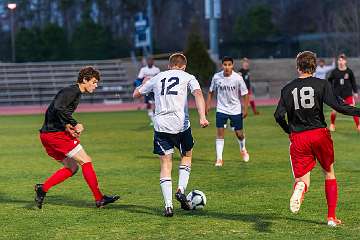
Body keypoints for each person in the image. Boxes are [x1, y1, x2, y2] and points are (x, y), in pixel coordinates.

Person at [274, 51, 360, 227]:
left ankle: (300, 188)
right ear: (314, 66)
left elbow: (278, 115)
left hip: (298, 137)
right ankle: (331, 217)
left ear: (298, 66)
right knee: (329, 173)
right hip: (319, 135)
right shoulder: (322, 84)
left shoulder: (287, 89)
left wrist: (288, 131)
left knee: (303, 181)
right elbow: (339, 106)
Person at [133, 53, 209, 217]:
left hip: (161, 125)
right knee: (187, 155)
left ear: (169, 65)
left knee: (166, 165)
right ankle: (181, 189)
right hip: (181, 124)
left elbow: (136, 95)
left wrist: (144, 83)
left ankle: (168, 206)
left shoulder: (158, 77)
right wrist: (202, 117)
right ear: (184, 66)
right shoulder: (188, 76)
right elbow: (198, 94)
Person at [35, 66, 120, 209]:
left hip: (48, 135)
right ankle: (99, 199)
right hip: (55, 135)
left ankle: (42, 189)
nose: (96, 85)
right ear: (85, 80)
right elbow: (57, 107)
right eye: (93, 82)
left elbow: (56, 112)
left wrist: (68, 126)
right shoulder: (72, 91)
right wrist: (75, 123)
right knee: (86, 161)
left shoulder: (75, 92)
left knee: (72, 167)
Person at [206, 56, 250, 166]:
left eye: (229, 65)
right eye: (225, 65)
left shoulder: (238, 78)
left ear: (232, 65)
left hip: (235, 110)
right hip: (221, 109)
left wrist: (245, 109)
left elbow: (245, 94)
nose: (227, 67)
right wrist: (208, 104)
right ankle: (219, 159)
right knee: (220, 133)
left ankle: (243, 149)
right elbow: (211, 91)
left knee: (239, 134)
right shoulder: (216, 77)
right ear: (222, 65)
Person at [328, 54, 359, 132]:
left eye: (342, 60)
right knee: (334, 110)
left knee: (353, 109)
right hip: (337, 95)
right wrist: (330, 89)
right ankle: (332, 124)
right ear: (337, 61)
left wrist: (355, 92)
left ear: (345, 61)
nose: (341, 62)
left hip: (348, 94)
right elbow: (329, 81)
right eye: (339, 60)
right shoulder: (334, 72)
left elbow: (353, 82)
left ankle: (358, 125)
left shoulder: (349, 71)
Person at [136, 57, 161, 125]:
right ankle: (152, 119)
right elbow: (139, 79)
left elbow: (159, 79)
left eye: (151, 61)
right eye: (148, 61)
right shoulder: (143, 69)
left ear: (153, 62)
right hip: (147, 89)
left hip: (155, 89)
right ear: (147, 62)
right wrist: (139, 87)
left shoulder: (156, 69)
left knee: (157, 103)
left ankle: (156, 117)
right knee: (148, 103)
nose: (150, 62)